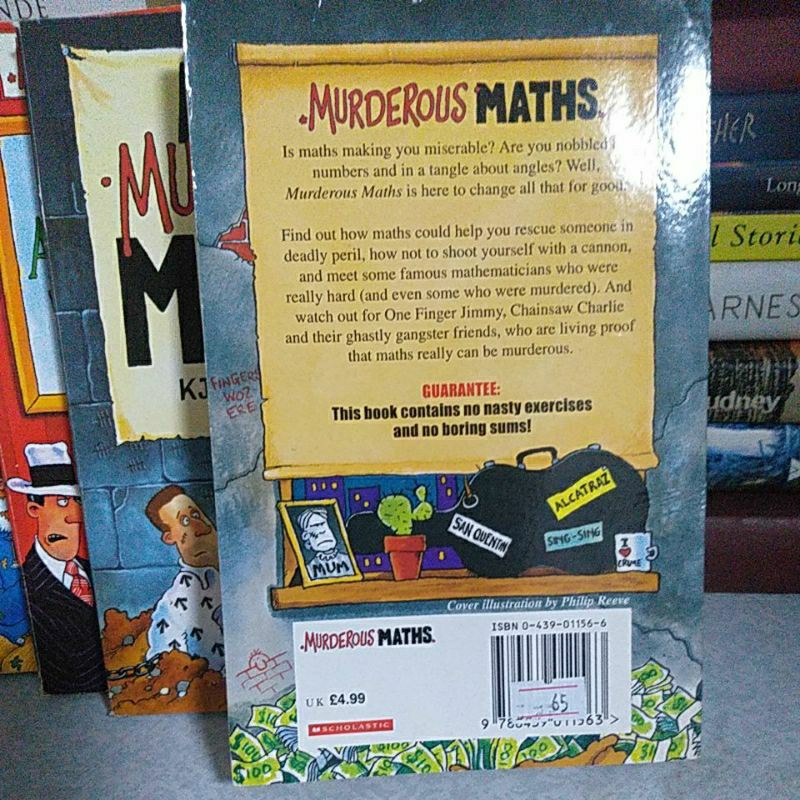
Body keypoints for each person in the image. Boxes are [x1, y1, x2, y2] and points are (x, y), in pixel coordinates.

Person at [7, 442, 105, 693]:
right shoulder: (29, 585)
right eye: (62, 502)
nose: (73, 516)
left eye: (77, 502)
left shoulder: (94, 571)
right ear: (34, 509)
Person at [144, 485, 224, 673]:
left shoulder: (245, 568)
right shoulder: (174, 605)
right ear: (170, 537)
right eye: (184, 521)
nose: (200, 528)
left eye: (196, 515)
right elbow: (166, 666)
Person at [297, 507, 354, 580]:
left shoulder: (348, 560)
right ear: (306, 536)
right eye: (315, 526)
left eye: (322, 524)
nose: (322, 531)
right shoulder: (309, 568)